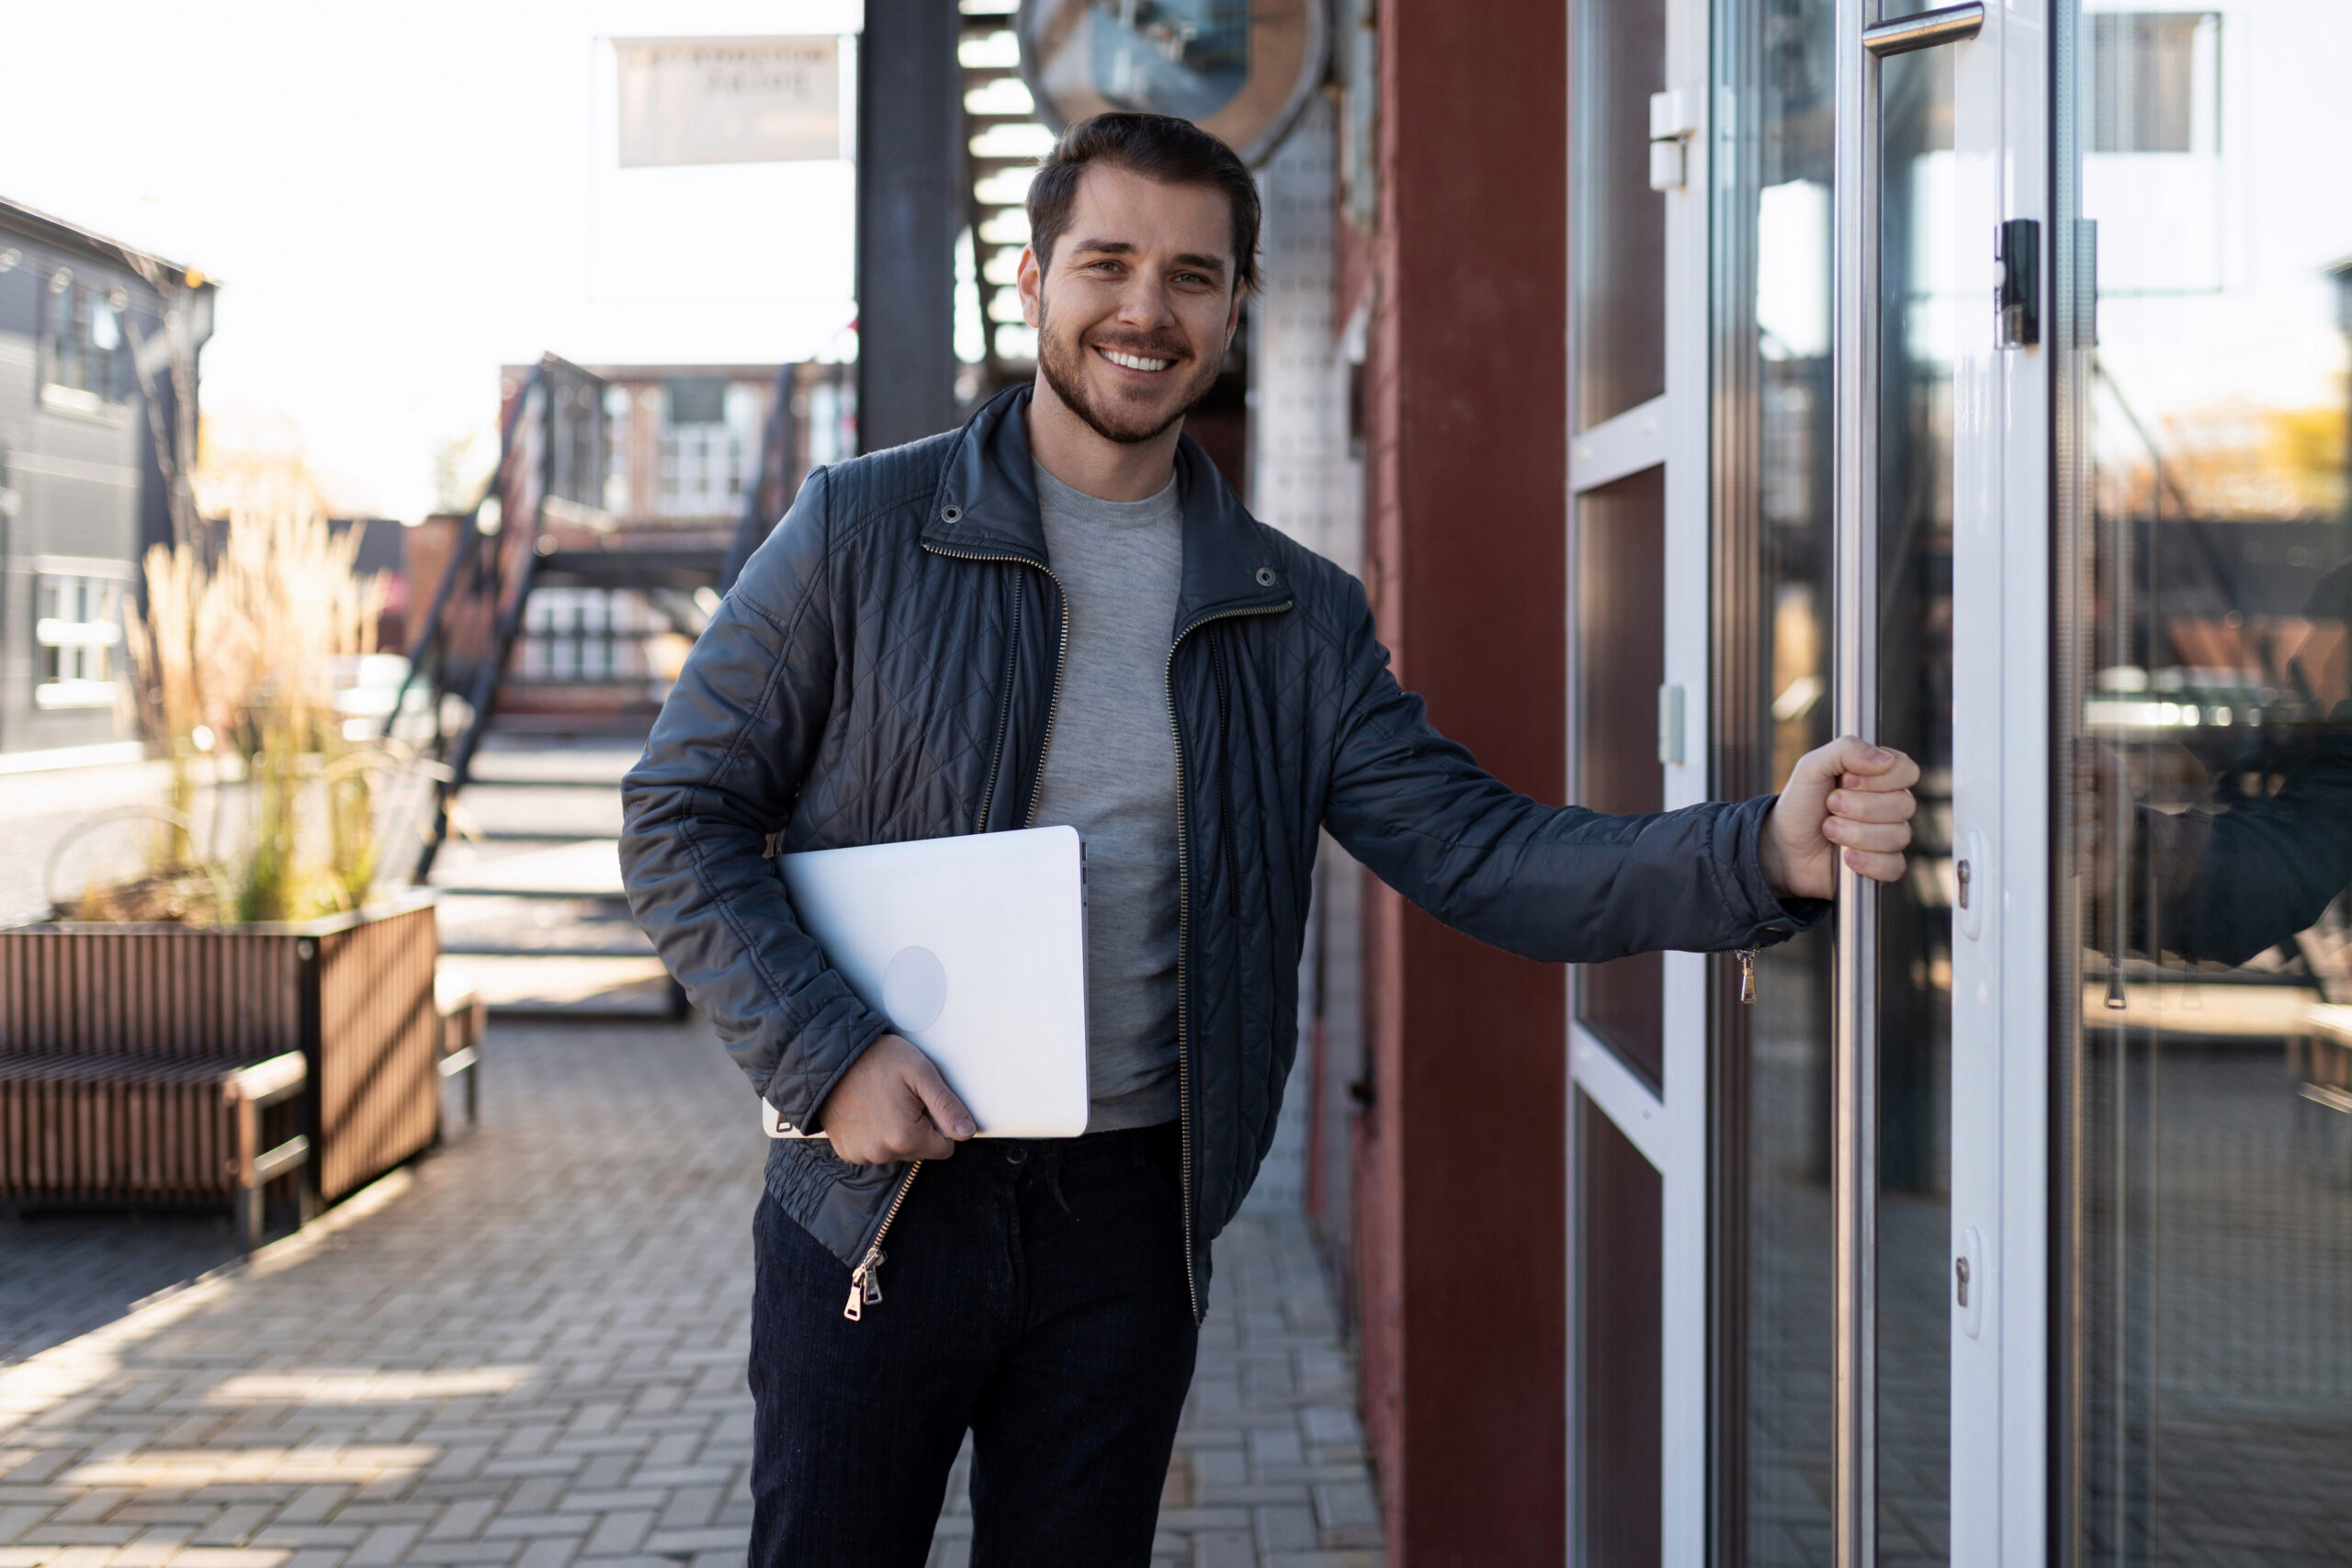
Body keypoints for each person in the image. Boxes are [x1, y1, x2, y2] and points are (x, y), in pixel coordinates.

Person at [618, 112, 1918, 1568]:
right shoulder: (859, 531)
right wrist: (828, 1055)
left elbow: (1478, 852)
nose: (1146, 310)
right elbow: (678, 814)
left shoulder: (1297, 615)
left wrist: (1760, 854)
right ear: (1037, 278)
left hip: (1128, 1225)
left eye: (1192, 276)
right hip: (874, 1202)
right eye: (1107, 263)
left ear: (1236, 306)